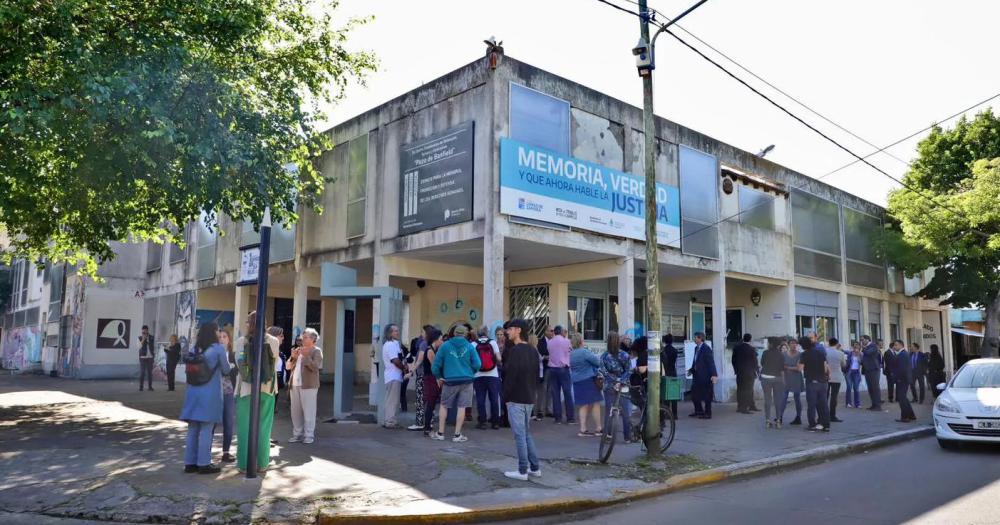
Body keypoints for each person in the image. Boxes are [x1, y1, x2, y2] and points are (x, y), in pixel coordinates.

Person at [179, 322, 230, 474]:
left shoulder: (195, 348)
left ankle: (189, 463)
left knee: (193, 428)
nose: (219, 333)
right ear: (214, 332)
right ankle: (204, 463)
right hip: (210, 393)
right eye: (217, 331)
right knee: (206, 428)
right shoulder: (218, 349)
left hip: (192, 392)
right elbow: (226, 370)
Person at [235, 314, 280, 473]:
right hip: (267, 389)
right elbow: (275, 362)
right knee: (264, 427)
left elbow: (239, 363)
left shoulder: (241, 341)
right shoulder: (273, 341)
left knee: (244, 428)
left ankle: (243, 464)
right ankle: (262, 463)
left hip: (246, 389)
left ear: (249, 324)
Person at [502, 319, 542, 481]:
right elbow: (536, 376)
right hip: (529, 397)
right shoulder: (533, 350)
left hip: (516, 398)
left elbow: (510, 376)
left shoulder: (515, 351)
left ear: (518, 330)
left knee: (520, 435)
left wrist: (505, 397)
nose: (507, 332)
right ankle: (535, 467)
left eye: (510, 329)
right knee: (526, 434)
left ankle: (522, 470)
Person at [431, 324, 481, 442]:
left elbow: (435, 366)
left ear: (454, 333)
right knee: (462, 407)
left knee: (444, 405)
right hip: (466, 381)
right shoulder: (469, 346)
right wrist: (470, 372)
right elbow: (478, 364)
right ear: (465, 334)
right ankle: (457, 435)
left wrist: (439, 376)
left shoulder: (445, 346)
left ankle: (440, 433)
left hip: (449, 381)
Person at [288, 327, 323, 444]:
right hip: (294, 384)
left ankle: (309, 435)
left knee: (309, 411)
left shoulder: (316, 351)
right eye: (302, 337)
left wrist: (306, 356)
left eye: (306, 337)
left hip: (309, 385)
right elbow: (288, 366)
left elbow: (315, 367)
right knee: (295, 411)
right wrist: (293, 357)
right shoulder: (298, 350)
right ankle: (297, 434)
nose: (302, 339)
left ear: (313, 339)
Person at [601, 331, 633, 442]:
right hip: (623, 386)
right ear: (618, 341)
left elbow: (603, 371)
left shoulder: (604, 356)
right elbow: (629, 370)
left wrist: (613, 380)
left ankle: (608, 435)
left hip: (609, 386)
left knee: (609, 411)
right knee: (625, 411)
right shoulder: (625, 355)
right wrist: (620, 381)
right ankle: (627, 437)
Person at [569, 333, 603, 437]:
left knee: (583, 405)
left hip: (576, 381)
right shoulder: (584, 352)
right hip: (588, 380)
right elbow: (597, 362)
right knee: (595, 403)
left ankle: (583, 429)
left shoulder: (572, 354)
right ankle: (598, 428)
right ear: (581, 341)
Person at [473, 326, 503, 430]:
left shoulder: (474, 344)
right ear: (487, 333)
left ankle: (482, 422)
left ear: (478, 333)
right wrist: (498, 363)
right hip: (493, 375)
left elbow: (471, 360)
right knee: (494, 399)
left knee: (480, 399)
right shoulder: (493, 342)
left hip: (478, 375)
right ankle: (495, 422)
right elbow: (499, 358)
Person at [546, 326, 575, 424]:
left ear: (554, 332)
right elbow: (570, 351)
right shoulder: (566, 341)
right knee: (567, 393)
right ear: (562, 332)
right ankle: (570, 418)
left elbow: (549, 352)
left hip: (552, 369)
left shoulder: (550, 342)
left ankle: (557, 418)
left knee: (555, 394)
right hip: (563, 368)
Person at [800, 336, 830, 432]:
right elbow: (825, 368)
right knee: (823, 404)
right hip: (822, 382)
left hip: (811, 382)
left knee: (811, 405)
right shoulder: (820, 353)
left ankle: (812, 425)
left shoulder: (804, 354)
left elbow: (800, 368)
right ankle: (825, 425)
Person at [216, 328, 237, 463]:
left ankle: (226, 452)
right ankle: (206, 453)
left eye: (224, 337)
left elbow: (236, 372)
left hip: (229, 393)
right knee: (212, 422)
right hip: (215, 393)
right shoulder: (214, 354)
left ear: (229, 340)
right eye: (220, 337)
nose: (222, 339)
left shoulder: (233, 355)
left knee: (228, 422)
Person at [408, 325, 434, 431]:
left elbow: (419, 360)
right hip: (431, 375)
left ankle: (419, 422)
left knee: (420, 400)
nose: (421, 334)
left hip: (422, 375)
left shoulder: (424, 344)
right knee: (430, 399)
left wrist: (411, 371)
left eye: (422, 332)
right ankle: (429, 422)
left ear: (427, 333)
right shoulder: (434, 344)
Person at [381, 324, 406, 429]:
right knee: (392, 400)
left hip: (394, 376)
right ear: (390, 333)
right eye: (395, 331)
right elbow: (395, 360)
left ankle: (389, 420)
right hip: (393, 376)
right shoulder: (390, 345)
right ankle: (390, 421)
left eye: (397, 330)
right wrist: (404, 368)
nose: (397, 332)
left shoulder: (394, 344)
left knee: (392, 400)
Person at [688, 332, 717, 419]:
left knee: (707, 395)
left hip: (705, 375)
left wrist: (714, 374)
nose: (694, 339)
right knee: (694, 393)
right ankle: (698, 411)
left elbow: (711, 362)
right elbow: (695, 360)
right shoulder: (696, 348)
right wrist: (691, 369)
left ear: (700, 338)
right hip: (697, 375)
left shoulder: (706, 349)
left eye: (695, 337)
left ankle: (708, 413)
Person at [420, 329, 445, 435]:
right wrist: (439, 379)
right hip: (430, 379)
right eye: (441, 339)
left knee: (432, 403)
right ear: (436, 339)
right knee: (430, 403)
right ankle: (427, 428)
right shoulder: (430, 350)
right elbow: (435, 367)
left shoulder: (434, 350)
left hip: (432, 378)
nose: (442, 341)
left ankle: (429, 426)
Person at [759, 341, 785, 428]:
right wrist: (783, 380)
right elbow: (782, 368)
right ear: (778, 345)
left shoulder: (765, 352)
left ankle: (767, 421)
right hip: (777, 377)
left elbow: (762, 363)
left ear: (770, 344)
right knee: (778, 399)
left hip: (765, 377)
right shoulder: (781, 354)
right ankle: (778, 421)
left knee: (767, 399)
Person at [732, 333, 758, 414]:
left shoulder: (737, 348)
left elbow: (733, 360)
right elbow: (755, 361)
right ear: (750, 339)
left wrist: (736, 370)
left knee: (740, 389)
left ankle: (740, 407)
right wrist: (756, 371)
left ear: (743, 339)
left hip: (740, 373)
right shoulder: (752, 349)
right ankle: (746, 407)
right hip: (749, 373)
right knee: (748, 390)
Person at [891, 339, 916, 422]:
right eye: (894, 345)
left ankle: (905, 417)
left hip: (902, 379)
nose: (894, 347)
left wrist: (898, 379)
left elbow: (902, 369)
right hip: (904, 379)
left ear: (901, 345)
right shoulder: (902, 354)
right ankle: (911, 415)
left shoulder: (903, 354)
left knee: (901, 398)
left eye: (896, 345)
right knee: (903, 397)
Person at [780, 338, 804, 425]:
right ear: (788, 345)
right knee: (783, 398)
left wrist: (787, 367)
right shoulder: (783, 354)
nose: (794, 345)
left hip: (796, 378)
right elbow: (781, 367)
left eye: (795, 343)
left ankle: (798, 417)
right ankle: (780, 416)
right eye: (792, 343)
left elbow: (799, 369)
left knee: (797, 398)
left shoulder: (800, 355)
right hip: (786, 378)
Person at [825, 337, 846, 423]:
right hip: (836, 376)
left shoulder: (825, 352)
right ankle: (832, 415)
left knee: (824, 396)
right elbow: (843, 365)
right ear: (837, 344)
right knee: (834, 396)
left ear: (829, 343)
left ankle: (823, 415)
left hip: (826, 376)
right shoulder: (840, 353)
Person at [534, 326, 553, 421]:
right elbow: (541, 353)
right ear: (545, 332)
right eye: (550, 331)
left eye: (553, 331)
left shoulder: (553, 341)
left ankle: (549, 410)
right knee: (542, 389)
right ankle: (540, 410)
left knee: (550, 390)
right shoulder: (541, 342)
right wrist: (547, 356)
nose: (552, 332)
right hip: (544, 368)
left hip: (552, 367)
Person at [860, 335, 883, 411]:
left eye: (862, 340)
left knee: (875, 388)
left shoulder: (873, 346)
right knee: (870, 388)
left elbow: (868, 353)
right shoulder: (867, 347)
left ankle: (878, 406)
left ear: (867, 339)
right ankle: (873, 404)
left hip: (873, 369)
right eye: (861, 340)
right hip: (867, 370)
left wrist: (863, 348)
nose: (861, 341)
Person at [661, 334, 679, 420]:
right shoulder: (675, 350)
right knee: (674, 394)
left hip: (665, 372)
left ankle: (667, 413)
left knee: (666, 394)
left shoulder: (663, 350)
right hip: (673, 372)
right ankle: (675, 414)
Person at [845, 341, 863, 408]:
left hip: (856, 373)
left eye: (857, 346)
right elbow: (844, 351)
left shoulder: (861, 354)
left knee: (856, 388)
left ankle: (857, 404)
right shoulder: (850, 353)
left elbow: (862, 362)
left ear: (859, 347)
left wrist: (859, 357)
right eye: (855, 346)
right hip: (849, 372)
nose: (856, 347)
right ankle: (848, 403)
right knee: (849, 387)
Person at [139, 325, 155, 391]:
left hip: (150, 357)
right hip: (143, 357)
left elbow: (153, 345)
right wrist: (143, 339)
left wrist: (153, 355)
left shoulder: (152, 337)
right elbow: (139, 346)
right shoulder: (139, 337)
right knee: (142, 372)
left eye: (145, 331)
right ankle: (141, 387)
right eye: (143, 332)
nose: (144, 333)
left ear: (147, 331)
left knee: (150, 373)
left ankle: (150, 387)